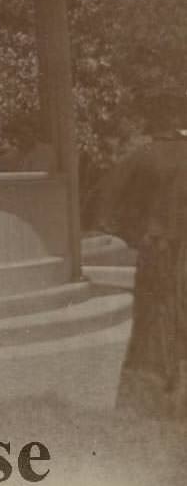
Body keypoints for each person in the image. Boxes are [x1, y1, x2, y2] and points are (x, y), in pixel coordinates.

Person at [94, 85, 187, 419]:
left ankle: (157, 385)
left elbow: (105, 200)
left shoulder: (145, 154)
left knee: (154, 314)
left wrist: (132, 233)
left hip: (157, 246)